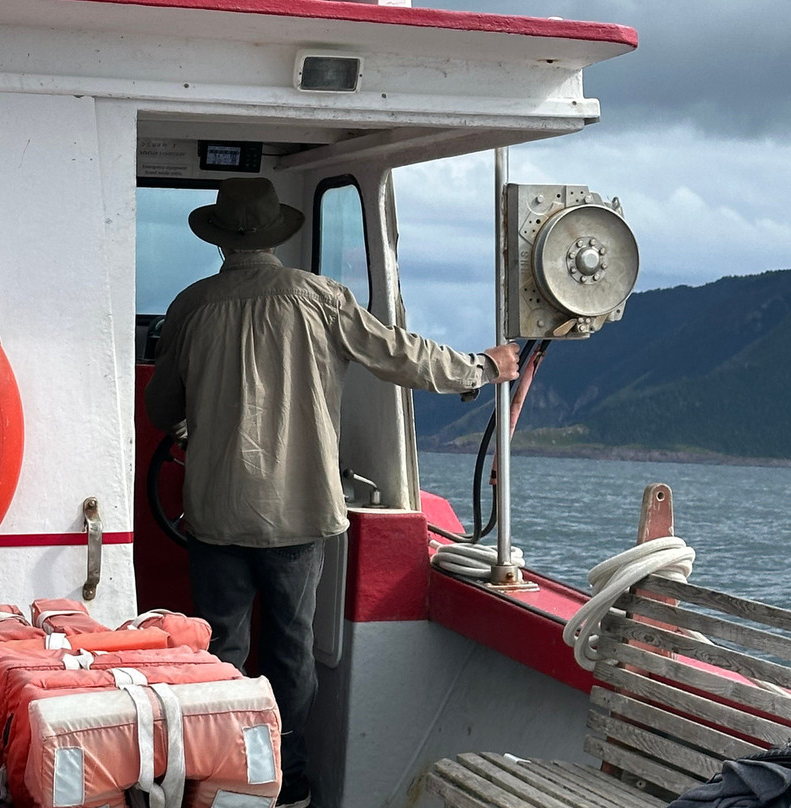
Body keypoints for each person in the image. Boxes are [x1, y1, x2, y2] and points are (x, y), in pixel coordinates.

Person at [144, 177, 518, 808]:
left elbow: (161, 408)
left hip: (213, 513)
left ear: (221, 241)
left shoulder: (191, 305)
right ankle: (284, 781)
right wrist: (482, 367)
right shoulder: (321, 298)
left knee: (222, 650)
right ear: (275, 236)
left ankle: (225, 780)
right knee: (292, 651)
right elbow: (399, 355)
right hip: (299, 510)